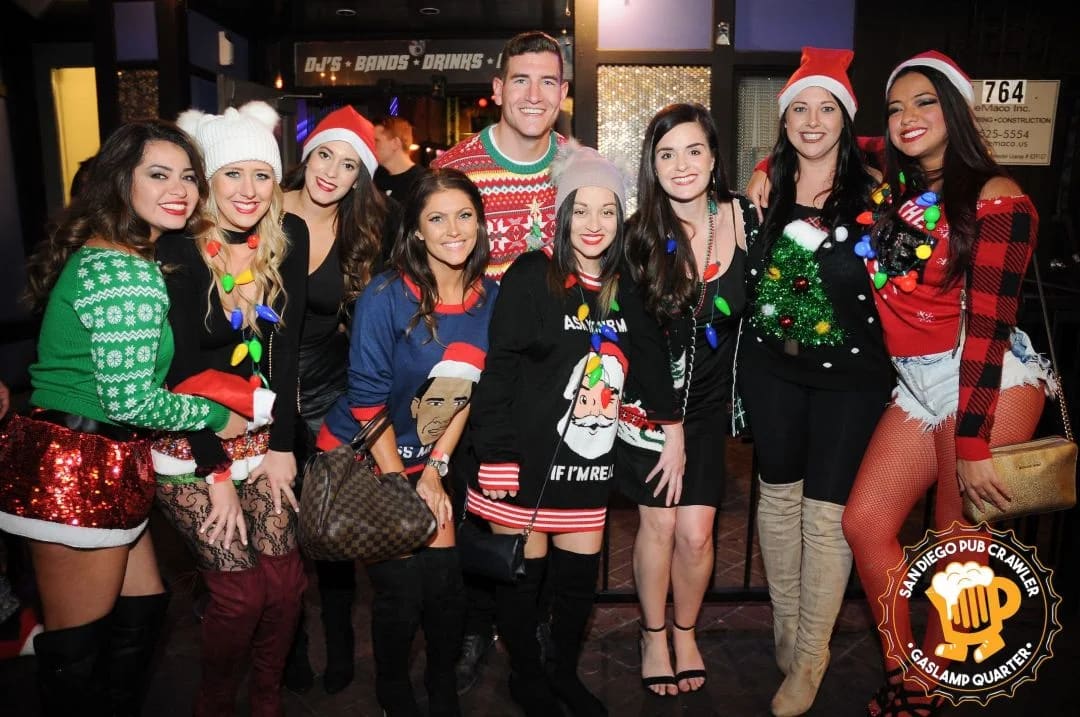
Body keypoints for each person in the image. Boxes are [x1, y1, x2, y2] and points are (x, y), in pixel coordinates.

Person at [0, 119, 250, 714]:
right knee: (77, 650)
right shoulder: (125, 272)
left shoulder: (120, 254)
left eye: (187, 176)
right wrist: (217, 417)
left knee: (143, 606)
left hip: (97, 458)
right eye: (158, 175)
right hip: (79, 468)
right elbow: (130, 400)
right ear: (121, 181)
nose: (179, 190)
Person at [841, 51, 1051, 717]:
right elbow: (835, 136)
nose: (907, 117)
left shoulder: (997, 198)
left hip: (987, 382)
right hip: (917, 382)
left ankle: (926, 689)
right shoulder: (899, 186)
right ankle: (906, 672)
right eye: (895, 107)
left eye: (925, 102)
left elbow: (989, 327)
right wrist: (768, 166)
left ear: (955, 109)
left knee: (956, 547)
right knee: (865, 523)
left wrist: (973, 440)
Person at [463, 142, 682, 717]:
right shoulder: (532, 274)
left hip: (587, 464)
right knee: (523, 582)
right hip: (523, 463)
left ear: (621, 217)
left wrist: (674, 429)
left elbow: (651, 358)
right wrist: (497, 455)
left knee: (576, 584)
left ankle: (562, 674)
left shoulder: (624, 282)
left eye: (607, 210)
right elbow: (499, 370)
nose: (593, 223)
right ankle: (527, 677)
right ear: (561, 214)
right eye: (580, 210)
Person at [738, 48, 895, 716]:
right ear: (783, 121)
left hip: (851, 381)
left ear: (845, 119)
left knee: (826, 518)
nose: (811, 120)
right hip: (772, 369)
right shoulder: (764, 193)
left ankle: (810, 654)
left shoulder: (878, 198)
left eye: (826, 108)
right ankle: (786, 624)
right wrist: (761, 171)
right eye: (799, 108)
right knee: (777, 503)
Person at [318, 168, 497, 716]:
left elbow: (467, 392)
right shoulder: (386, 294)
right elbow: (367, 400)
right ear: (416, 229)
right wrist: (402, 483)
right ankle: (393, 690)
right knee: (400, 591)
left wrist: (436, 468)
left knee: (444, 586)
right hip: (367, 452)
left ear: (480, 221)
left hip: (426, 459)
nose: (453, 230)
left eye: (464, 215)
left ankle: (441, 689)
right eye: (437, 218)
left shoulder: (491, 298)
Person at [153, 101, 309, 716]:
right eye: (232, 174)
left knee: (286, 587)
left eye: (262, 174)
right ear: (208, 182)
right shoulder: (179, 250)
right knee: (241, 596)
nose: (249, 190)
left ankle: (266, 697)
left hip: (262, 439)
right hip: (193, 444)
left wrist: (283, 447)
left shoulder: (287, 240)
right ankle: (214, 702)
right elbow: (180, 374)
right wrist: (216, 474)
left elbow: (286, 353)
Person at [431, 29, 568, 690]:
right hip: (473, 380)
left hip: (555, 386)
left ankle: (533, 629)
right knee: (471, 510)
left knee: (545, 509)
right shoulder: (456, 169)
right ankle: (475, 627)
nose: (534, 94)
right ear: (496, 89)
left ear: (563, 92)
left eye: (547, 80)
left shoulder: (580, 168)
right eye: (520, 79)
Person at [617, 102, 758, 696]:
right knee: (660, 525)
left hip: (708, 406)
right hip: (652, 405)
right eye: (666, 154)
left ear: (714, 156)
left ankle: (685, 631)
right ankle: (653, 635)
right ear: (652, 165)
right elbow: (645, 344)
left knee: (697, 534)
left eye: (694, 150)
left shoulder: (744, 217)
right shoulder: (639, 235)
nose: (681, 165)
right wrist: (668, 427)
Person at [280, 104, 389, 695]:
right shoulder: (262, 208)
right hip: (261, 393)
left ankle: (341, 641)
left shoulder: (359, 232)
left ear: (359, 177)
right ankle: (289, 645)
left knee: (332, 526)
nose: (332, 172)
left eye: (349, 165)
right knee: (274, 529)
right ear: (307, 156)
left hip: (328, 392)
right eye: (325, 154)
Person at [373, 115, 426, 201]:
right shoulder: (376, 178)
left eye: (376, 141)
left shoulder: (422, 183)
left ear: (395, 143)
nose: (371, 145)